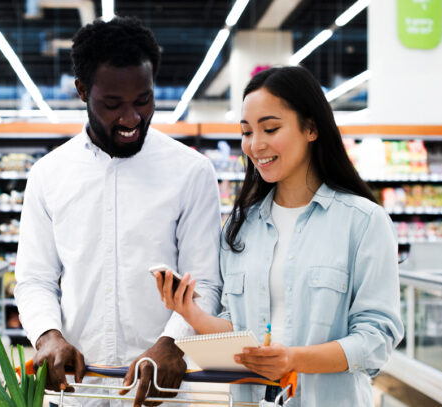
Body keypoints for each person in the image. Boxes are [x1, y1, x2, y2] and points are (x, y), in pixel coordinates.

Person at [155, 66, 404, 406]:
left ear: (311, 128)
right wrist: (190, 313)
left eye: (270, 128)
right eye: (246, 132)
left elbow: (378, 338)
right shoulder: (240, 226)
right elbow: (239, 330)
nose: (255, 145)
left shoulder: (363, 222)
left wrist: (294, 360)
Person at [14, 16, 223, 406]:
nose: (131, 119)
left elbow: (206, 283)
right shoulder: (48, 175)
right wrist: (48, 335)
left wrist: (173, 345)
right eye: (112, 105)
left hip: (162, 389)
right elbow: (34, 279)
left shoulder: (191, 172)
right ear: (82, 91)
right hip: (78, 387)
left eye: (143, 101)